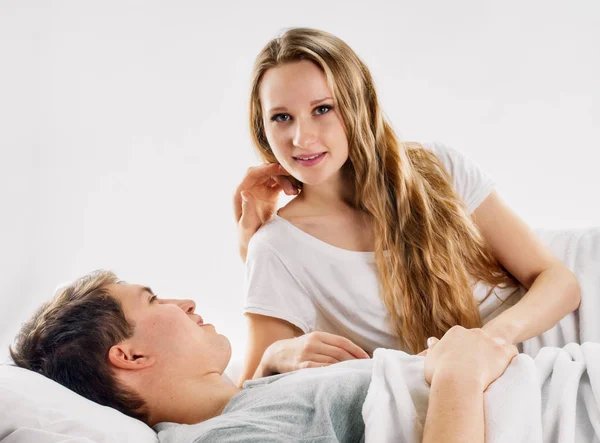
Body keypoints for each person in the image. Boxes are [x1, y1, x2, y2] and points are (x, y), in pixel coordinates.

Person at [234, 27, 581, 384]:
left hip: (563, 340)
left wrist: (489, 339)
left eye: (322, 109)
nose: (301, 138)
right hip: (482, 388)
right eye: (281, 117)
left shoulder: (437, 166)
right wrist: (275, 354)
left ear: (360, 108)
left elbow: (559, 282)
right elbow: (250, 399)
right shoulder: (276, 248)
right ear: (262, 127)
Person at [10, 270, 518, 442]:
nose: (183, 302)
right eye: (153, 299)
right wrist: (458, 376)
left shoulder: (239, 409)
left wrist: (270, 366)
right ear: (131, 355)